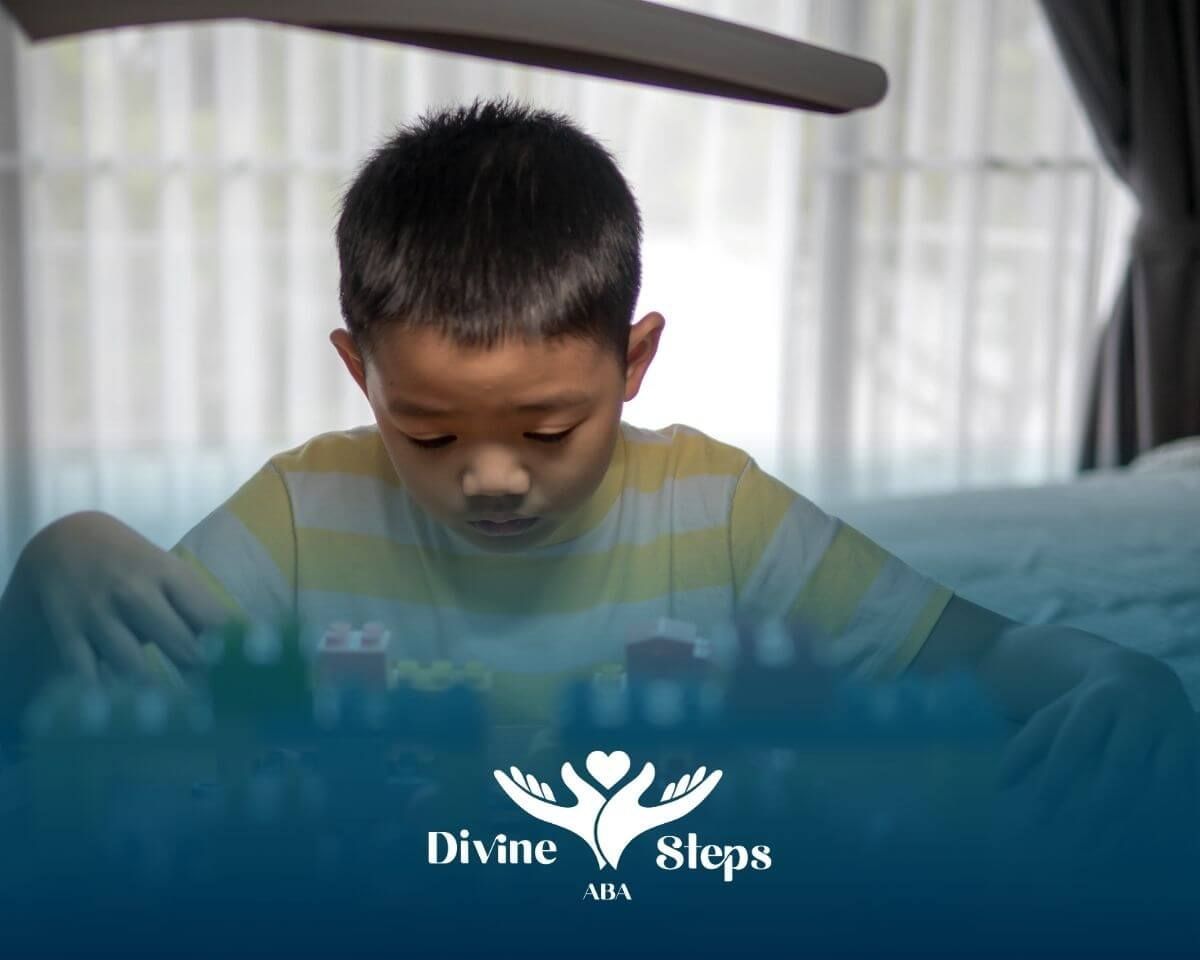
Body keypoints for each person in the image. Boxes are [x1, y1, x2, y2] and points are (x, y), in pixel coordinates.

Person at [0, 98, 1195, 833]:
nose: (492, 478)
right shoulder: (306, 507)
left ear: (634, 363)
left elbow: (981, 653)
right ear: (358, 372)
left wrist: (1119, 675)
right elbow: (70, 721)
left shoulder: (716, 509)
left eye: (547, 428)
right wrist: (48, 573)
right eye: (427, 433)